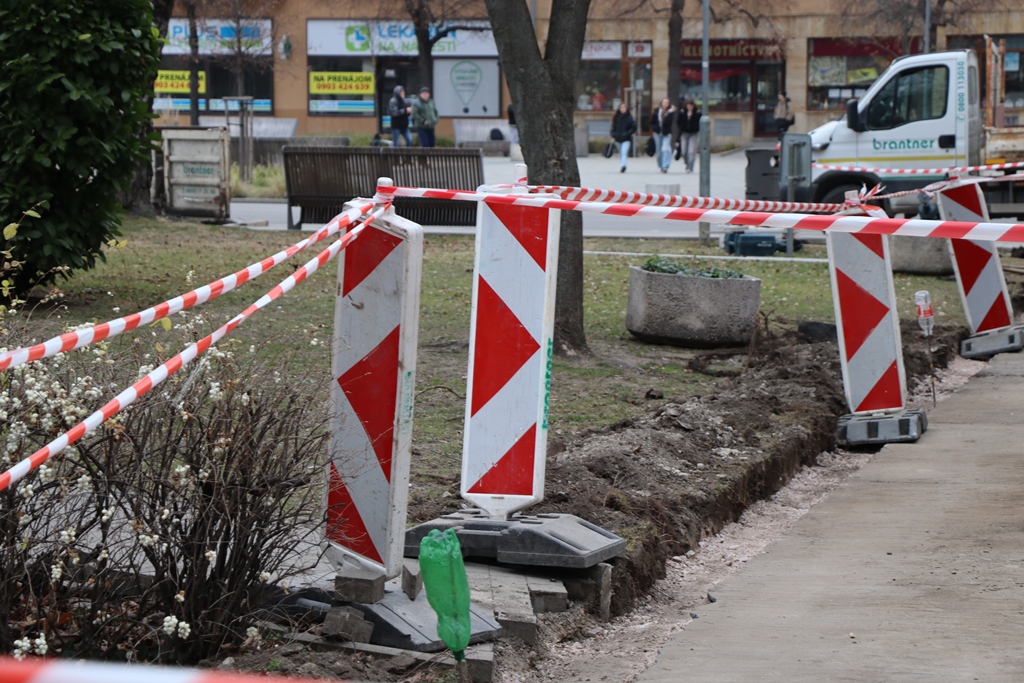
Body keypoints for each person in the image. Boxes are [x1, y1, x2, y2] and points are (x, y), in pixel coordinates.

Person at [649, 98, 677, 173]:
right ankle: (661, 165)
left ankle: (665, 166)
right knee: (659, 151)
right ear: (661, 103)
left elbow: (668, 123)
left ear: (669, 104)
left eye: (666, 103)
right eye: (663, 102)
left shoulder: (671, 112)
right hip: (657, 133)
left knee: (665, 149)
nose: (665, 104)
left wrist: (667, 114)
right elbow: (651, 122)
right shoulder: (656, 111)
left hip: (666, 133)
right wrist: (654, 128)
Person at [610, 102, 637, 173]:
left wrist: (627, 134)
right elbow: (613, 127)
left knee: (624, 152)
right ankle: (622, 164)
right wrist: (613, 134)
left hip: (626, 139)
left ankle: (623, 166)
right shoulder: (616, 117)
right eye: (621, 107)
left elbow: (634, 128)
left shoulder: (629, 118)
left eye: (624, 107)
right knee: (621, 153)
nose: (623, 109)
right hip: (618, 138)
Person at [676, 99, 701, 173]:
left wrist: (691, 117)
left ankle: (690, 166)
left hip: (693, 133)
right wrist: (687, 119)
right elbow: (678, 122)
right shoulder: (682, 112)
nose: (689, 107)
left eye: (691, 106)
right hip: (684, 133)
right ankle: (687, 163)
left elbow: (698, 124)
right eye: (688, 106)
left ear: (693, 106)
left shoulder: (697, 113)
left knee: (691, 151)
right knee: (683, 151)